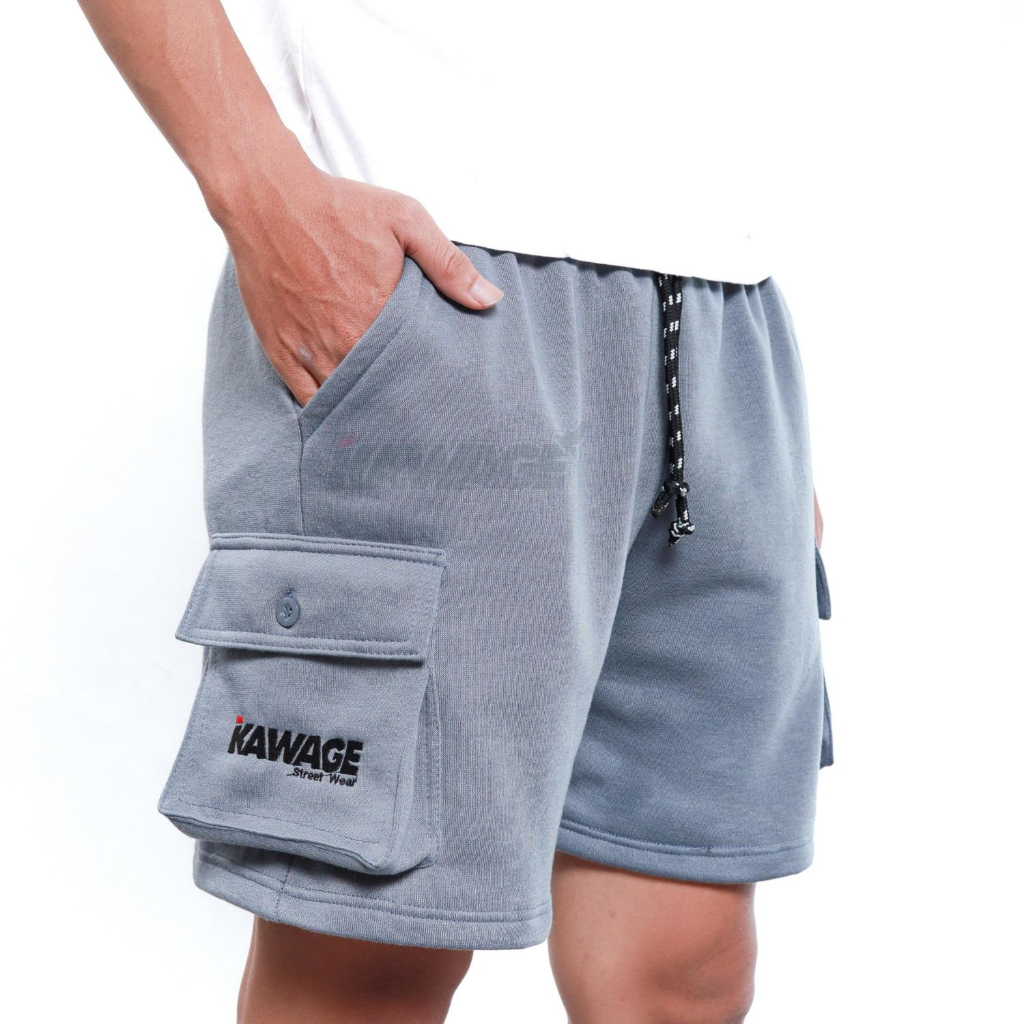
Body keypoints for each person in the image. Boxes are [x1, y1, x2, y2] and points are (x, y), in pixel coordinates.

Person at [79, 2, 833, 1020]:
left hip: (720, 314)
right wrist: (259, 190)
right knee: (364, 957)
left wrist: (741, 397)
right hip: (442, 282)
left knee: (684, 967)